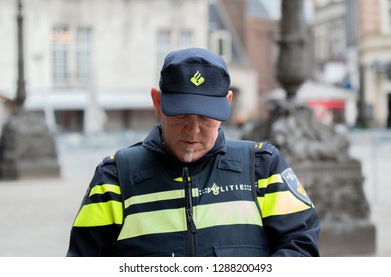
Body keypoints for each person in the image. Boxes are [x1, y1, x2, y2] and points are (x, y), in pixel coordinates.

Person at [66, 47, 320, 257]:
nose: (193, 131)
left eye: (206, 118)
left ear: (228, 103)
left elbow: (301, 248)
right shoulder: (113, 180)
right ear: (157, 102)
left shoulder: (264, 169)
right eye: (180, 116)